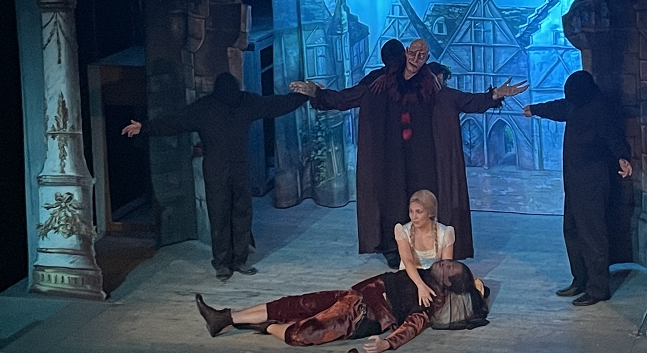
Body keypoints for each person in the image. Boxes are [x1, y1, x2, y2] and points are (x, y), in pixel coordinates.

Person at [291, 38, 527, 266]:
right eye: (413, 53)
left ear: (427, 58)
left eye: (421, 55)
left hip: (422, 154)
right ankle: (393, 248)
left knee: (422, 199)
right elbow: (349, 97)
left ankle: (424, 246)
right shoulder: (382, 82)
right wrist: (317, 94)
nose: (416, 58)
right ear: (406, 52)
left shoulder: (431, 85)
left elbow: (462, 100)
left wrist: (493, 95)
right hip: (390, 152)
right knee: (392, 198)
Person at [122, 72, 308, 281]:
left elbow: (174, 121)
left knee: (232, 214)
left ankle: (233, 261)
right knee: (226, 215)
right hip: (221, 170)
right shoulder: (232, 103)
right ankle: (226, 262)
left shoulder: (228, 104)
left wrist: (304, 96)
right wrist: (145, 127)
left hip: (227, 169)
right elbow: (175, 122)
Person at [193, 258, 489, 350]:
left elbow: (413, 325)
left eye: (450, 269)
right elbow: (395, 269)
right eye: (449, 262)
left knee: (302, 333)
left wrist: (387, 343)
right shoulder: (420, 275)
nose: (446, 263)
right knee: (293, 304)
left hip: (360, 315)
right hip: (354, 296)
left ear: (448, 284)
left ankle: (266, 326)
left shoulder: (429, 301)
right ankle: (226, 317)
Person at [523, 70, 632, 306]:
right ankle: (580, 280)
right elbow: (558, 107)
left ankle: (598, 288)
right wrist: (534, 109)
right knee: (571, 230)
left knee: (593, 235)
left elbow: (613, 136)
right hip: (574, 181)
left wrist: (623, 157)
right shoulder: (575, 103)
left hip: (592, 182)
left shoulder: (599, 108)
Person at [394, 190, 455, 308]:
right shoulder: (402, 231)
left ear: (430, 212)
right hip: (410, 277)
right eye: (411, 211)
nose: (414, 217)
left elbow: (446, 266)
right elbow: (407, 261)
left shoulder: (445, 232)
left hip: (434, 278)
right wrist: (420, 285)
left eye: (419, 212)